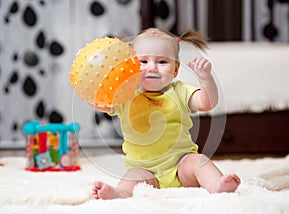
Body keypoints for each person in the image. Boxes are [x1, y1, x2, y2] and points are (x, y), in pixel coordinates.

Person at [92, 28, 240, 200]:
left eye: (162, 62)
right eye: (143, 61)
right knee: (133, 177)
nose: (152, 68)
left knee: (199, 162)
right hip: (145, 170)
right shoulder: (126, 95)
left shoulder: (180, 91)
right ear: (131, 66)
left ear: (176, 69)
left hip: (181, 165)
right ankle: (120, 193)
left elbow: (208, 103)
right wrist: (98, 85)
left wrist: (205, 79)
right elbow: (100, 104)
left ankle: (216, 184)